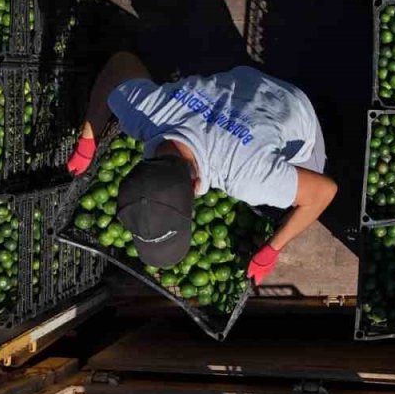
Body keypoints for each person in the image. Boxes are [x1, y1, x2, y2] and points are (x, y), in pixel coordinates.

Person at [66, 51, 338, 287]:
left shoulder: (247, 178)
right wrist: (89, 138)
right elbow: (120, 64)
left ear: (197, 188)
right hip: (246, 82)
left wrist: (273, 248)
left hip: (296, 111)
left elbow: (323, 192)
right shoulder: (146, 113)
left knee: (292, 197)